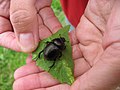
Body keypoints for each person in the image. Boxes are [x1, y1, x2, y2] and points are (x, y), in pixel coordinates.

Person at [0, 0, 120, 90]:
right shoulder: (60, 46)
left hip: (92, 17)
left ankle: (44, 58)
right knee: (62, 48)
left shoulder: (54, 43)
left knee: (60, 48)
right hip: (77, 10)